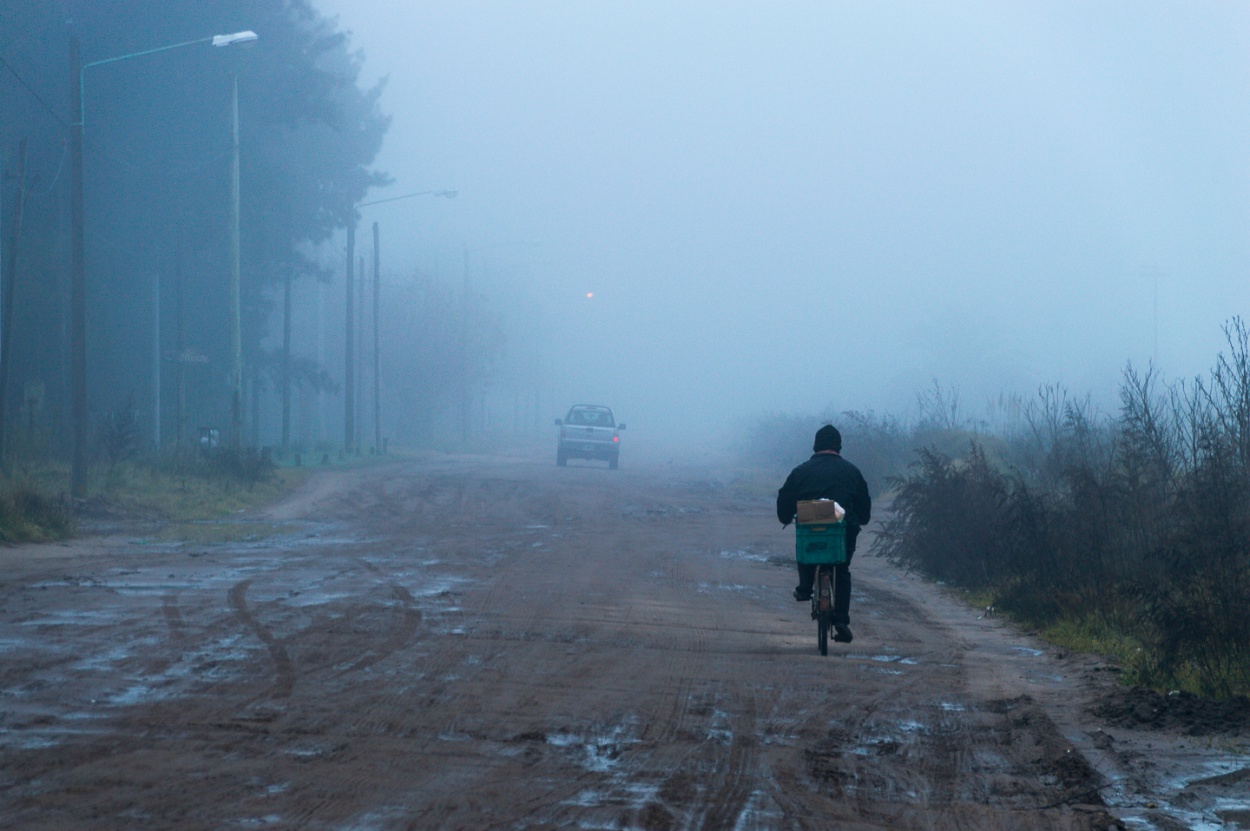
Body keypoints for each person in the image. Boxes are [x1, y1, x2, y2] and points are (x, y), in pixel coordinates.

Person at [776, 424, 872, 643]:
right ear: (839, 446)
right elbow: (864, 509)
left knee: (807, 546)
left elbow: (784, 502)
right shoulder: (852, 472)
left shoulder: (800, 472)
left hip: (811, 532)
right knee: (842, 567)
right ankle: (841, 620)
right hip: (842, 533)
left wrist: (785, 517)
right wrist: (860, 519)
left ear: (815, 446)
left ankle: (804, 588)